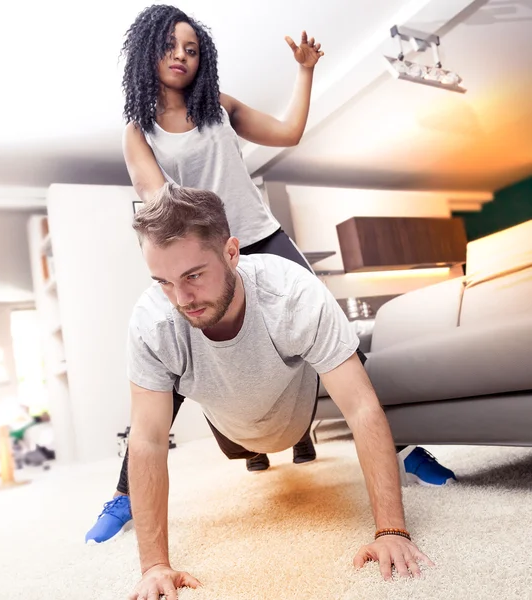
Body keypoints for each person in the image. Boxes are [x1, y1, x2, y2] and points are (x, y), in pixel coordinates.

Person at [84, 3, 455, 544]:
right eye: (169, 47)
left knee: (342, 344)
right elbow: (156, 198)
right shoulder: (137, 132)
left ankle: (404, 452)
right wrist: (197, 253)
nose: (181, 56)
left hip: (261, 235)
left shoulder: (220, 107)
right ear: (147, 53)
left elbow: (289, 132)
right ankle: (126, 497)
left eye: (191, 48)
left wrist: (305, 71)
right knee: (169, 363)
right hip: (202, 253)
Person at [125, 185, 435, 599]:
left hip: (294, 408)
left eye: (194, 276)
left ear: (232, 252)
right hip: (231, 428)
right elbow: (147, 439)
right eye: (163, 281)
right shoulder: (153, 323)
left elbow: (360, 407)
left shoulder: (292, 293)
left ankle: (296, 437)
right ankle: (254, 450)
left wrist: (391, 530)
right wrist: (154, 566)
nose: (182, 299)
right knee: (244, 449)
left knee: (303, 416)